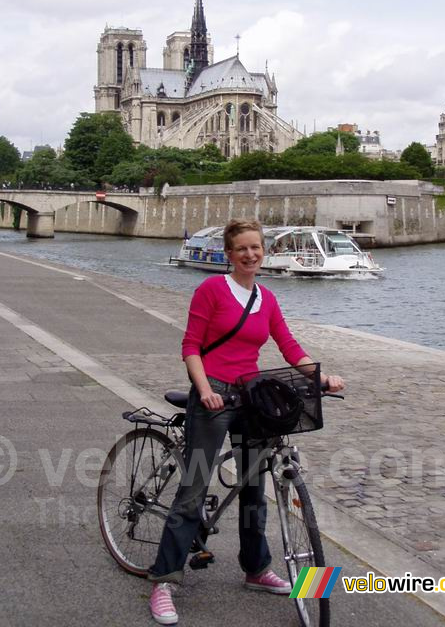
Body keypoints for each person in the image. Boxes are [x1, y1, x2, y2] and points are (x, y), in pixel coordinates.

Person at [148, 219, 344, 625]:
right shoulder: (211, 290)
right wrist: (203, 390)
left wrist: (320, 377)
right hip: (214, 392)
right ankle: (164, 580)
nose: (250, 254)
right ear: (229, 253)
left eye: (256, 247)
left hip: (251, 395)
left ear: (263, 251)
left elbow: (288, 345)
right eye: (242, 249)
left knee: (254, 488)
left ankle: (255, 568)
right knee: (194, 488)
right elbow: (191, 346)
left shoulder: (267, 298)